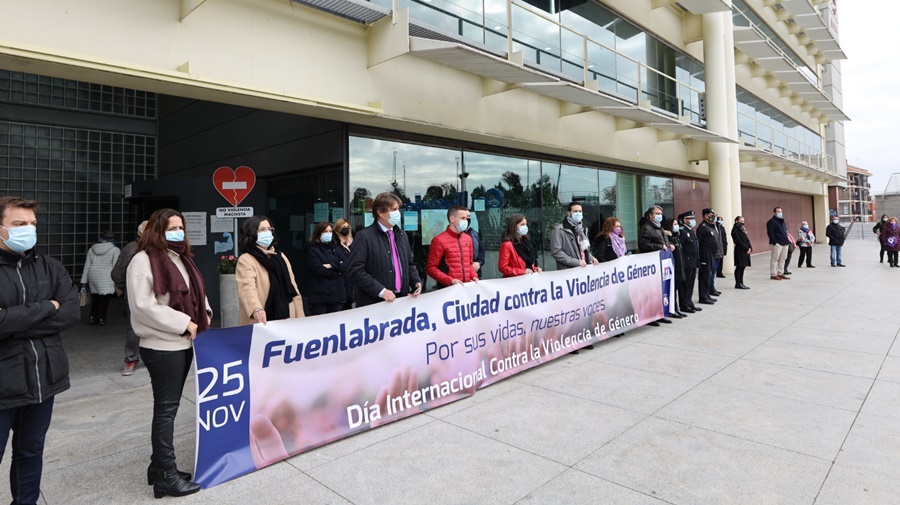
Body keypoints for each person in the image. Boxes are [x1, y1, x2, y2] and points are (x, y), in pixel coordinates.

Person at [0, 196, 79, 505]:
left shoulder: (50, 266)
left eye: (32, 224)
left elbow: (70, 313)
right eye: (19, 224)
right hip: (3, 384)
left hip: (43, 380)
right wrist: (47, 306)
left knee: (30, 451)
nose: (29, 230)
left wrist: (12, 321)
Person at [126, 208, 210, 498]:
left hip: (183, 343)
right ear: (156, 231)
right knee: (166, 410)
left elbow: (197, 293)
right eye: (171, 228)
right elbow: (143, 307)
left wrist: (204, 313)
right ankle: (166, 475)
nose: (178, 232)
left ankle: (157, 466)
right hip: (162, 346)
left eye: (180, 227)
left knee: (169, 409)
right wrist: (183, 322)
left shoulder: (180, 257)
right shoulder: (143, 260)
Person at [348, 192, 422, 307]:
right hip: (375, 303)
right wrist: (381, 291)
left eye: (398, 209)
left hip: (401, 300)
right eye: (394, 209)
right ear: (380, 212)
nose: (398, 213)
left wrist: (416, 282)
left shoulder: (402, 235)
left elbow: (409, 265)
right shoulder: (364, 236)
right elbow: (356, 271)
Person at [236, 215, 305, 325]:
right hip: (262, 319)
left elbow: (293, 287)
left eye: (269, 229)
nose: (267, 233)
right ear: (252, 233)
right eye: (262, 229)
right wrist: (256, 308)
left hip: (288, 317)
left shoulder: (280, 256)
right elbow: (247, 288)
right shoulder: (246, 259)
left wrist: (301, 318)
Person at [111, 220, 148, 375]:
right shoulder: (131, 249)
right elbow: (117, 274)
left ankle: (150, 356)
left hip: (156, 297)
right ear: (140, 233)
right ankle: (131, 359)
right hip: (136, 297)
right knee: (134, 329)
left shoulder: (160, 248)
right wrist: (127, 287)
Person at [638, 206, 674, 325]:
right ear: (650, 215)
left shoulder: (659, 227)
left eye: (661, 214)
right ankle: (651, 316)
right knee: (651, 292)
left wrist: (669, 245)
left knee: (660, 291)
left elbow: (662, 241)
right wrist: (659, 247)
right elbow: (643, 244)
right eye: (657, 214)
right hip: (651, 264)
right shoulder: (646, 228)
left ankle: (660, 314)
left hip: (662, 263)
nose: (660, 216)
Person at [426, 205, 478, 287]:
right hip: (448, 289)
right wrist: (450, 281)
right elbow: (431, 268)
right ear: (452, 219)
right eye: (463, 218)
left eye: (466, 218)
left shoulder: (468, 238)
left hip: (466, 288)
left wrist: (474, 276)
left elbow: (469, 264)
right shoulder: (439, 240)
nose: (466, 221)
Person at [306, 221, 348, 315]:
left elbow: (345, 265)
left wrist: (331, 265)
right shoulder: (312, 249)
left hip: (337, 295)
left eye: (330, 231)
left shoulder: (336, 248)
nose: (328, 234)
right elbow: (318, 269)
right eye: (325, 231)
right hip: (320, 297)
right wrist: (337, 271)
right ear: (318, 233)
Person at [80, 230, 121, 325]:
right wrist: (118, 280)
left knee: (95, 297)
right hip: (107, 276)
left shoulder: (92, 249)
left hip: (93, 276)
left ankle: (92, 316)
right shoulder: (115, 250)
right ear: (113, 239)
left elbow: (87, 265)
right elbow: (115, 266)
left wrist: (84, 281)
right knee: (104, 298)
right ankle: (102, 318)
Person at [550, 202, 598, 270]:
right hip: (569, 272)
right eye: (575, 211)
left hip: (584, 269)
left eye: (580, 211)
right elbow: (556, 252)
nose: (578, 213)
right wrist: (576, 262)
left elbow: (584, 250)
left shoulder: (582, 229)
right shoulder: (559, 230)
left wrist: (591, 258)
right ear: (569, 213)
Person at [662, 217, 687, 318]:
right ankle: (673, 309)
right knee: (672, 289)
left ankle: (676, 308)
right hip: (672, 267)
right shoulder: (668, 237)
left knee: (676, 288)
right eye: (675, 224)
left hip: (679, 266)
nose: (677, 226)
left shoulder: (676, 236)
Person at [677, 211, 701, 313]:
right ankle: (684, 305)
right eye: (690, 219)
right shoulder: (682, 231)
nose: (692, 221)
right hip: (686, 262)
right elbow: (680, 247)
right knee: (685, 285)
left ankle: (689, 301)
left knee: (691, 283)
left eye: (693, 218)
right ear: (684, 220)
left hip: (693, 261)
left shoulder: (690, 230)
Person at [697, 208, 722, 301]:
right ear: (706, 216)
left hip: (712, 254)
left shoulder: (710, 226)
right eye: (712, 216)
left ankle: (707, 294)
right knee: (704, 275)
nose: (714, 217)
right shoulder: (703, 227)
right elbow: (699, 242)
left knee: (709, 275)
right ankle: (703, 296)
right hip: (705, 255)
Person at [334, 217, 355, 310]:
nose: (346, 229)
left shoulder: (353, 243)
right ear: (338, 228)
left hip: (351, 281)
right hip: (339, 282)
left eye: (347, 227)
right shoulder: (334, 244)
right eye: (343, 227)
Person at [766, 207, 790, 280]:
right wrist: (775, 242)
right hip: (777, 243)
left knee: (783, 259)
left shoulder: (782, 221)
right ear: (774, 213)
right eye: (778, 211)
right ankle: (773, 274)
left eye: (781, 211)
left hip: (785, 242)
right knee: (774, 259)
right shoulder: (771, 222)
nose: (780, 213)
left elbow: (785, 231)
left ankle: (780, 273)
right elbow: (770, 233)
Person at [731, 216, 751, 289]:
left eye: (743, 221)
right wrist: (746, 248)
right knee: (739, 266)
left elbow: (746, 239)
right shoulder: (735, 230)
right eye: (741, 221)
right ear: (736, 221)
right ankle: (738, 283)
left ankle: (741, 282)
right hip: (740, 250)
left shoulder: (742, 229)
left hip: (745, 250)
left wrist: (750, 247)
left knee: (743, 266)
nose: (742, 223)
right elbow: (738, 241)